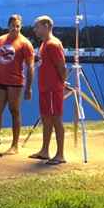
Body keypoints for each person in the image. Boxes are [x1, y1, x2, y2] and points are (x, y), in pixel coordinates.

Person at [0, 14, 35, 154]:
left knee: (14, 112)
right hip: (1, 82)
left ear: (21, 26)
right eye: (13, 26)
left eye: (18, 26)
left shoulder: (25, 43)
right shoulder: (1, 40)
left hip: (16, 84)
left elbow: (30, 66)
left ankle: (15, 145)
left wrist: (29, 88)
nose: (15, 28)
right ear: (8, 26)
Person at [29, 15, 67, 165]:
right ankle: (45, 150)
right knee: (46, 119)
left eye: (37, 27)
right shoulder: (44, 45)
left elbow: (62, 67)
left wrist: (61, 84)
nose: (35, 30)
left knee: (56, 118)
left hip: (52, 89)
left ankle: (60, 154)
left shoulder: (53, 44)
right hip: (44, 88)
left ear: (46, 26)